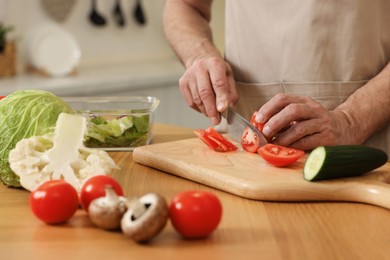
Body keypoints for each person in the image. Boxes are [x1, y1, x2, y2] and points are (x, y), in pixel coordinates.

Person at [163, 0, 390, 153]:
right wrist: (198, 54)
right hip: (243, 150)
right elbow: (184, 5)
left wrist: (351, 121)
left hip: (365, 148)